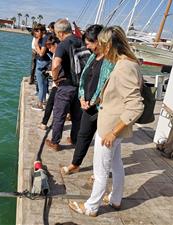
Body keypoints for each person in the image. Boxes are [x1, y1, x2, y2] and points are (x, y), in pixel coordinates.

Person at [68, 26, 144, 216]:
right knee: (116, 165)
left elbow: (136, 105)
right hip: (113, 125)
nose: (99, 48)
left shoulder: (123, 67)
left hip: (110, 128)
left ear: (109, 45)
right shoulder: (128, 62)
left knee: (100, 170)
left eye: (101, 44)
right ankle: (116, 199)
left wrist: (113, 132)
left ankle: (91, 207)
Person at [61, 25, 115, 174]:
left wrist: (94, 101)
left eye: (89, 43)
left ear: (99, 41)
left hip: (103, 108)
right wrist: (82, 98)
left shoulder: (111, 61)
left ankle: (102, 172)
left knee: (103, 143)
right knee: (83, 135)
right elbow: (85, 80)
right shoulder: (92, 56)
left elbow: (108, 85)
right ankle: (75, 164)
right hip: (88, 105)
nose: (86, 46)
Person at [45, 18, 82, 151]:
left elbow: (56, 64)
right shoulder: (80, 41)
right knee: (77, 116)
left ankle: (55, 143)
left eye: (55, 33)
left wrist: (55, 79)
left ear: (60, 33)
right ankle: (74, 138)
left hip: (66, 85)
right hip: (79, 86)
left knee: (59, 115)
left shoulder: (63, 45)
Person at [38, 34, 60, 130]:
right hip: (60, 83)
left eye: (50, 47)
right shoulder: (57, 53)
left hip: (58, 84)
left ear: (55, 44)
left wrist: (51, 74)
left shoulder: (59, 54)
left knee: (50, 103)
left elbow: (56, 68)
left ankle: (44, 123)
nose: (49, 50)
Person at [31, 24, 52, 111]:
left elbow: (41, 53)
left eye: (36, 31)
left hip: (42, 63)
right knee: (43, 83)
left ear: (40, 31)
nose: (35, 34)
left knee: (40, 84)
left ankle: (40, 104)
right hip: (46, 62)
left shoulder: (44, 39)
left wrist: (36, 45)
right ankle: (43, 101)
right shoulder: (46, 37)